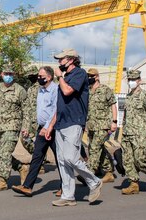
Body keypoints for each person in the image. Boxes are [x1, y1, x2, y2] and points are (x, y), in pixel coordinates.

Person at [51, 49, 103, 206]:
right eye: (58, 60)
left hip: (74, 121)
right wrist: (51, 125)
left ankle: (94, 182)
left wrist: (59, 77)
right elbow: (59, 104)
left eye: (61, 60)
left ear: (71, 60)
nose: (59, 62)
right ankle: (68, 196)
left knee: (70, 157)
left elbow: (67, 92)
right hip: (61, 123)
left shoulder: (79, 74)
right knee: (62, 161)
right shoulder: (65, 77)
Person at [12, 66, 62, 197]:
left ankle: (65, 186)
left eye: (41, 76)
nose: (38, 78)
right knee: (37, 157)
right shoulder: (40, 90)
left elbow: (56, 111)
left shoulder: (55, 90)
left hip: (53, 128)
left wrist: (47, 127)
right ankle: (27, 186)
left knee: (60, 159)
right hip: (42, 128)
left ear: (49, 77)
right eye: (38, 76)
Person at [120, 69, 146, 195]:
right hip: (127, 133)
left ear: (139, 81)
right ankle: (134, 184)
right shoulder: (128, 97)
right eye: (129, 80)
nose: (131, 82)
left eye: (133, 80)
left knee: (139, 160)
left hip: (140, 134)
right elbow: (126, 116)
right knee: (128, 160)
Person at [86, 68, 118, 183]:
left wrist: (114, 122)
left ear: (97, 77)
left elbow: (113, 105)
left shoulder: (105, 89)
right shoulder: (88, 91)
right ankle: (108, 171)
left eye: (92, 76)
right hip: (91, 125)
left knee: (95, 148)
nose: (89, 78)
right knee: (95, 148)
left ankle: (88, 174)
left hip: (103, 125)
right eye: (88, 76)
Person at [21, 65, 40, 155]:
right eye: (29, 76)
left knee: (41, 143)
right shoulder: (30, 89)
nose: (30, 77)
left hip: (40, 121)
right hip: (31, 121)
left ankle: (40, 162)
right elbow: (28, 107)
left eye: (32, 75)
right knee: (25, 139)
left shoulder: (42, 87)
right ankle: (37, 155)